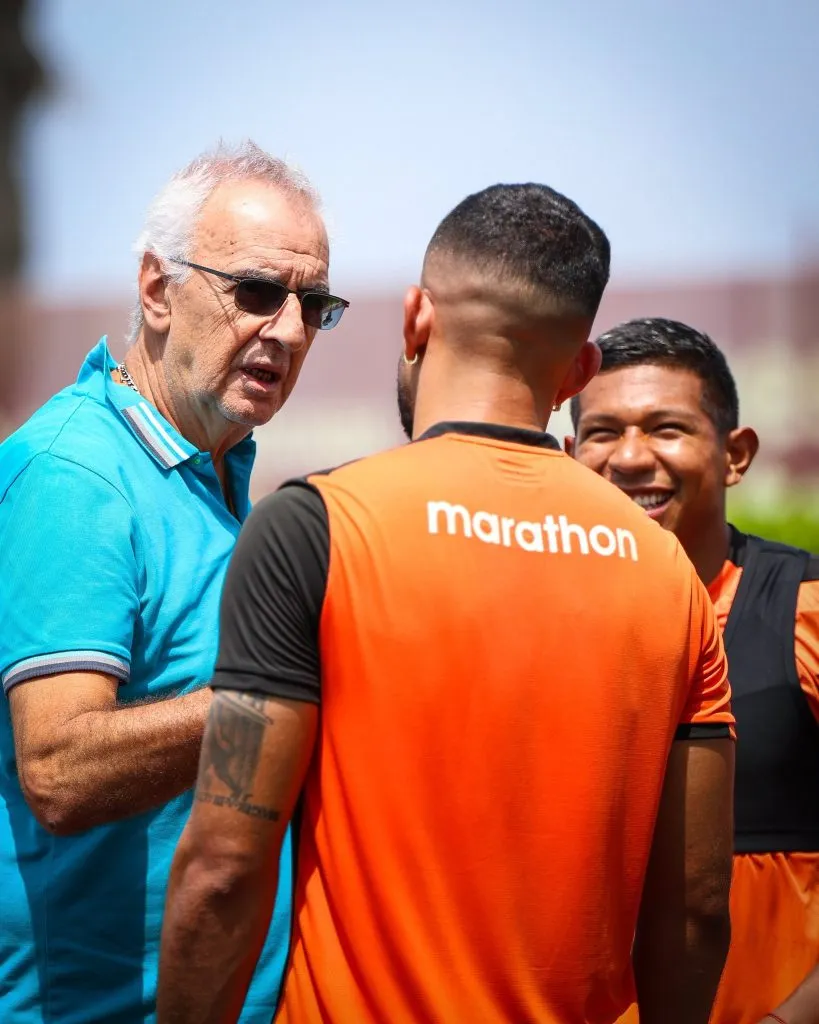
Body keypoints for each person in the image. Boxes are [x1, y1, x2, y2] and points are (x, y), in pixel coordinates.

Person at [157, 183, 735, 1024]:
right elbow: (695, 906)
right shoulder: (670, 575)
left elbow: (223, 868)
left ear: (415, 320)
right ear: (579, 371)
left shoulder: (316, 527)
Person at [0, 140, 348, 1024]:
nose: (291, 329)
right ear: (157, 288)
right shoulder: (77, 475)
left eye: (314, 305)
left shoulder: (209, 470)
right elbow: (60, 769)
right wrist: (289, 688)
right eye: (259, 293)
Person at [567, 318, 819, 1024]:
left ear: (734, 455)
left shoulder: (802, 609)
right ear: (565, 454)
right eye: (601, 432)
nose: (629, 458)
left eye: (665, 428)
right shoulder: (534, 625)